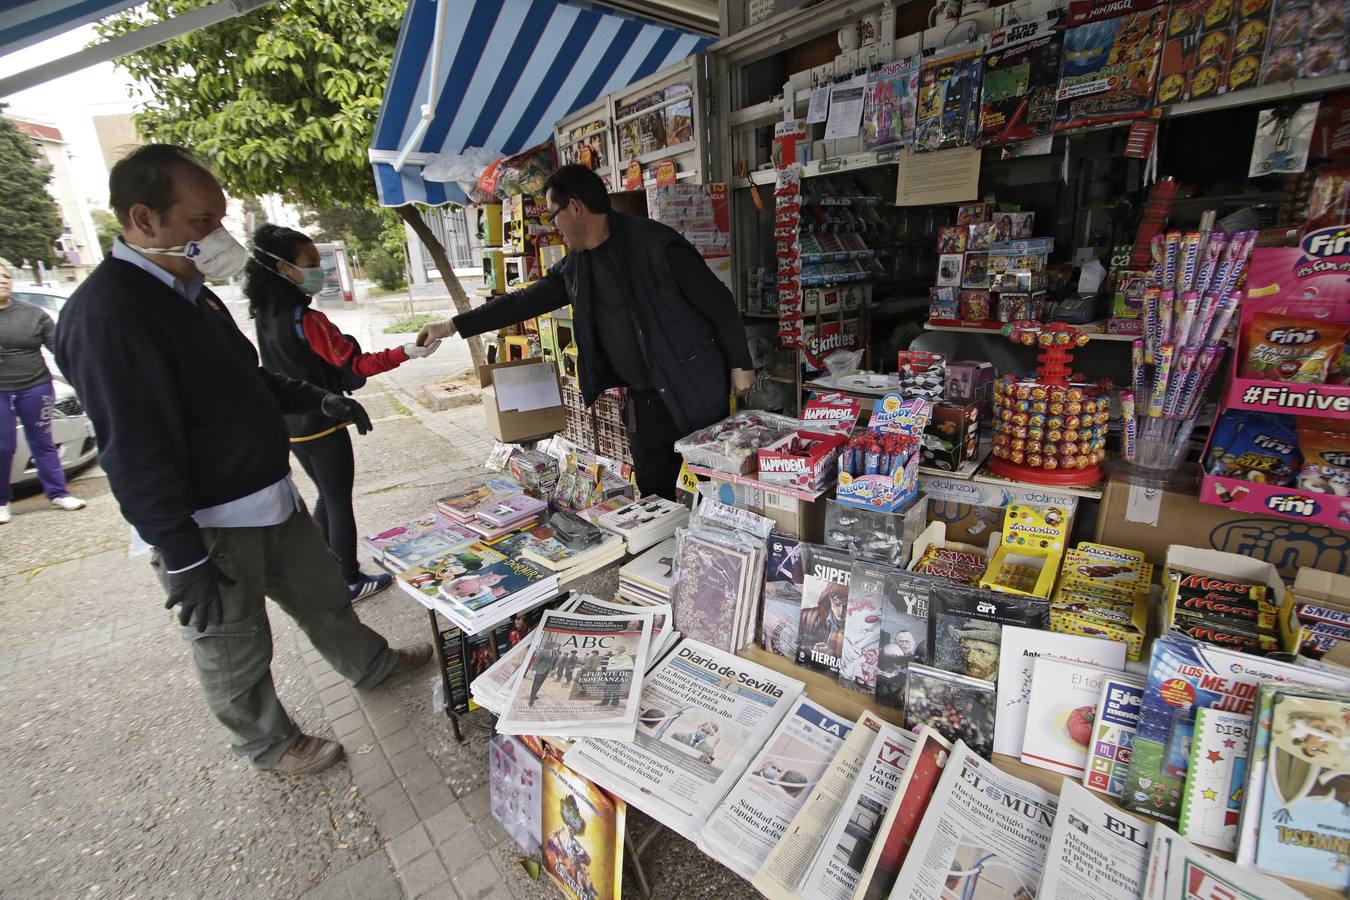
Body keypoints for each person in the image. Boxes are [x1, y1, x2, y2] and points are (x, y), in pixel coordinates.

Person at [54, 144, 431, 776]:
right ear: (144, 219)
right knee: (233, 643)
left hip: (270, 496)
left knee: (322, 594)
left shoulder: (192, 293)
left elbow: (247, 377)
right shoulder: (108, 316)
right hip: (211, 524)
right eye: (203, 221)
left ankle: (370, 664)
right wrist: (182, 556)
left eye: (220, 219)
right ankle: (269, 742)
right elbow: (133, 452)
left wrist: (317, 398)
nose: (219, 236)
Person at [417, 164, 755, 499]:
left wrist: (741, 365)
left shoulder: (656, 245)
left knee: (708, 492)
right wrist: (452, 325)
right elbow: (521, 303)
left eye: (553, 215)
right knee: (656, 496)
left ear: (575, 207)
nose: (554, 225)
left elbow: (718, 303)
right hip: (644, 401)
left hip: (693, 389)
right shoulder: (577, 266)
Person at [244, 224, 442, 602]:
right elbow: (356, 364)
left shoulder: (266, 314)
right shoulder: (308, 319)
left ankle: (320, 572)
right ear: (284, 268)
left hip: (291, 426)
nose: (320, 270)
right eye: (310, 263)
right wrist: (406, 351)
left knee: (324, 496)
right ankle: (349, 579)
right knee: (337, 502)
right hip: (322, 422)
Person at [0, 260, 87, 523]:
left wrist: (78, 378)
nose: (3, 281)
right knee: (3, 446)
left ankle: (58, 493)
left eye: (5, 276)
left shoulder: (32, 314)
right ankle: (2, 501)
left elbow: (58, 349)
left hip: (35, 386)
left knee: (43, 442)